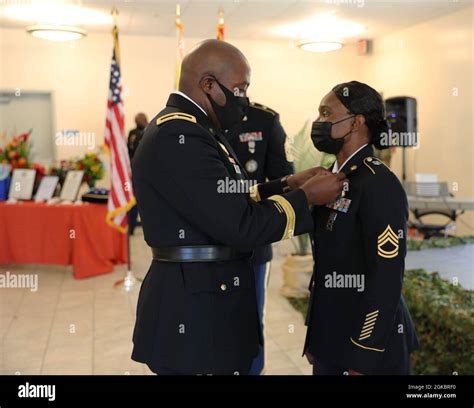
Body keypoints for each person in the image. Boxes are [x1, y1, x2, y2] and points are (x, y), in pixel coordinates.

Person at [131, 39, 346, 375]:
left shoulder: (197, 128)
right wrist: (306, 199)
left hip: (205, 297)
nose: (243, 99)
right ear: (207, 84)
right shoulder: (180, 135)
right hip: (195, 310)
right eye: (239, 89)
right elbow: (240, 226)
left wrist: (286, 185)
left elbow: (222, 198)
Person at [303, 81, 419, 375]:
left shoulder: (379, 184)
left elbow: (387, 277)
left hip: (368, 343)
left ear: (356, 122)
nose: (320, 122)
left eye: (327, 114)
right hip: (333, 334)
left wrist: (365, 350)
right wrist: (316, 336)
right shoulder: (334, 178)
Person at [226, 102, 294, 375]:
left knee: (251, 321)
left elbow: (285, 181)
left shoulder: (264, 120)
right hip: (206, 245)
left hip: (251, 247)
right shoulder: (198, 121)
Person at [127, 113, 148, 235]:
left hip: (145, 173)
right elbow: (128, 150)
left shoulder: (149, 131)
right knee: (134, 200)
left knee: (144, 201)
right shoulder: (133, 133)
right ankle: (131, 227)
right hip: (134, 172)